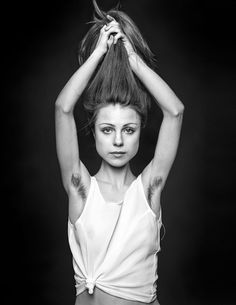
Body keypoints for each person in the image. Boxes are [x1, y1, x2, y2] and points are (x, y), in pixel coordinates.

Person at [55, 1, 184, 304]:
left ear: (140, 132)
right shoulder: (81, 189)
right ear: (94, 132)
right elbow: (62, 108)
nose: (117, 141)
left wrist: (134, 60)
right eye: (107, 129)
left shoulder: (149, 189)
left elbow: (175, 112)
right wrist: (100, 51)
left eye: (128, 130)